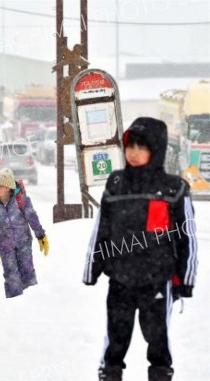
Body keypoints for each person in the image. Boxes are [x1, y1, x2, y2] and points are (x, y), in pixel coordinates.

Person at [83, 117, 198, 381]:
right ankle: (109, 374)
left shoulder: (174, 188)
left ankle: (159, 375)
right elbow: (102, 230)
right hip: (120, 279)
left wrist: (186, 279)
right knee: (115, 340)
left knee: (158, 341)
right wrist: (93, 268)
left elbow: (187, 237)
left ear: (155, 149)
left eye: (141, 146)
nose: (134, 152)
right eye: (130, 145)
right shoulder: (116, 184)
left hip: (157, 281)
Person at [0, 168, 49, 298]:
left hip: (23, 242)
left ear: (8, 187)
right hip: (5, 245)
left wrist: (41, 235)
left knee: (27, 271)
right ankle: (14, 302)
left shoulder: (22, 201)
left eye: (0, 185)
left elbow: (32, 218)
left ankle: (32, 299)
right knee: (11, 274)